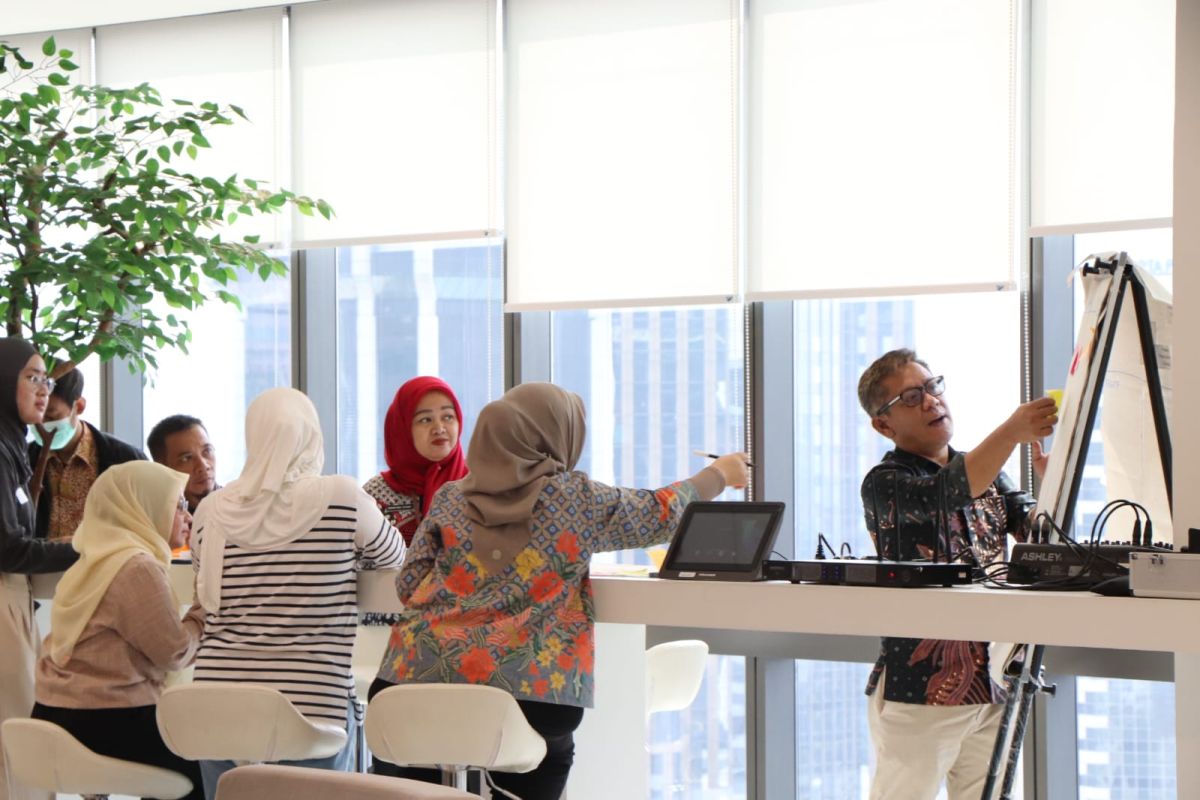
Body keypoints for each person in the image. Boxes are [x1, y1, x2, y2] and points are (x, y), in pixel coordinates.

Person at [369, 382, 750, 799]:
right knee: (550, 753)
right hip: (531, 691)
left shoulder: (449, 497)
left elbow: (408, 583)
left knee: (416, 769)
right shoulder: (576, 498)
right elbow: (661, 512)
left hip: (407, 683)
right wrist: (719, 475)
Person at [857, 349, 1056, 800]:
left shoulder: (992, 476)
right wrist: (1010, 431)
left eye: (932, 387)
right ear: (884, 425)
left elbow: (1042, 542)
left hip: (996, 677)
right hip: (921, 687)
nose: (931, 401)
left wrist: (1052, 485)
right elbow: (946, 492)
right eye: (911, 397)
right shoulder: (885, 481)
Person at [190, 387, 404, 799]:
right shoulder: (342, 497)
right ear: (311, 435)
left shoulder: (210, 510)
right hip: (311, 712)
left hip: (215, 710)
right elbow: (395, 556)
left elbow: (205, 587)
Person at [31, 461, 203, 799]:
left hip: (51, 717)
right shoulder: (136, 567)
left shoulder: (93, 560)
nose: (187, 516)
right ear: (143, 507)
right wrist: (202, 611)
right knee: (200, 760)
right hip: (104, 720)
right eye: (178, 505)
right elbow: (175, 652)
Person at [0, 339, 80, 800]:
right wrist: (81, 549)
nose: (44, 389)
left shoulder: (13, 445)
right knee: (14, 734)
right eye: (32, 377)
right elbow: (8, 548)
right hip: (4, 603)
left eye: (46, 380)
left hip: (15, 600)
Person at [27, 368, 145, 541]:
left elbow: (145, 528)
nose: (42, 425)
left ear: (79, 406)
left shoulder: (125, 460)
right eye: (35, 415)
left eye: (51, 416)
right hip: (38, 559)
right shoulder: (23, 460)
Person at [147, 415, 219, 514]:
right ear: (162, 469)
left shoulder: (237, 507)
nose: (203, 466)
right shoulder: (156, 518)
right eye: (187, 458)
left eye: (207, 451)